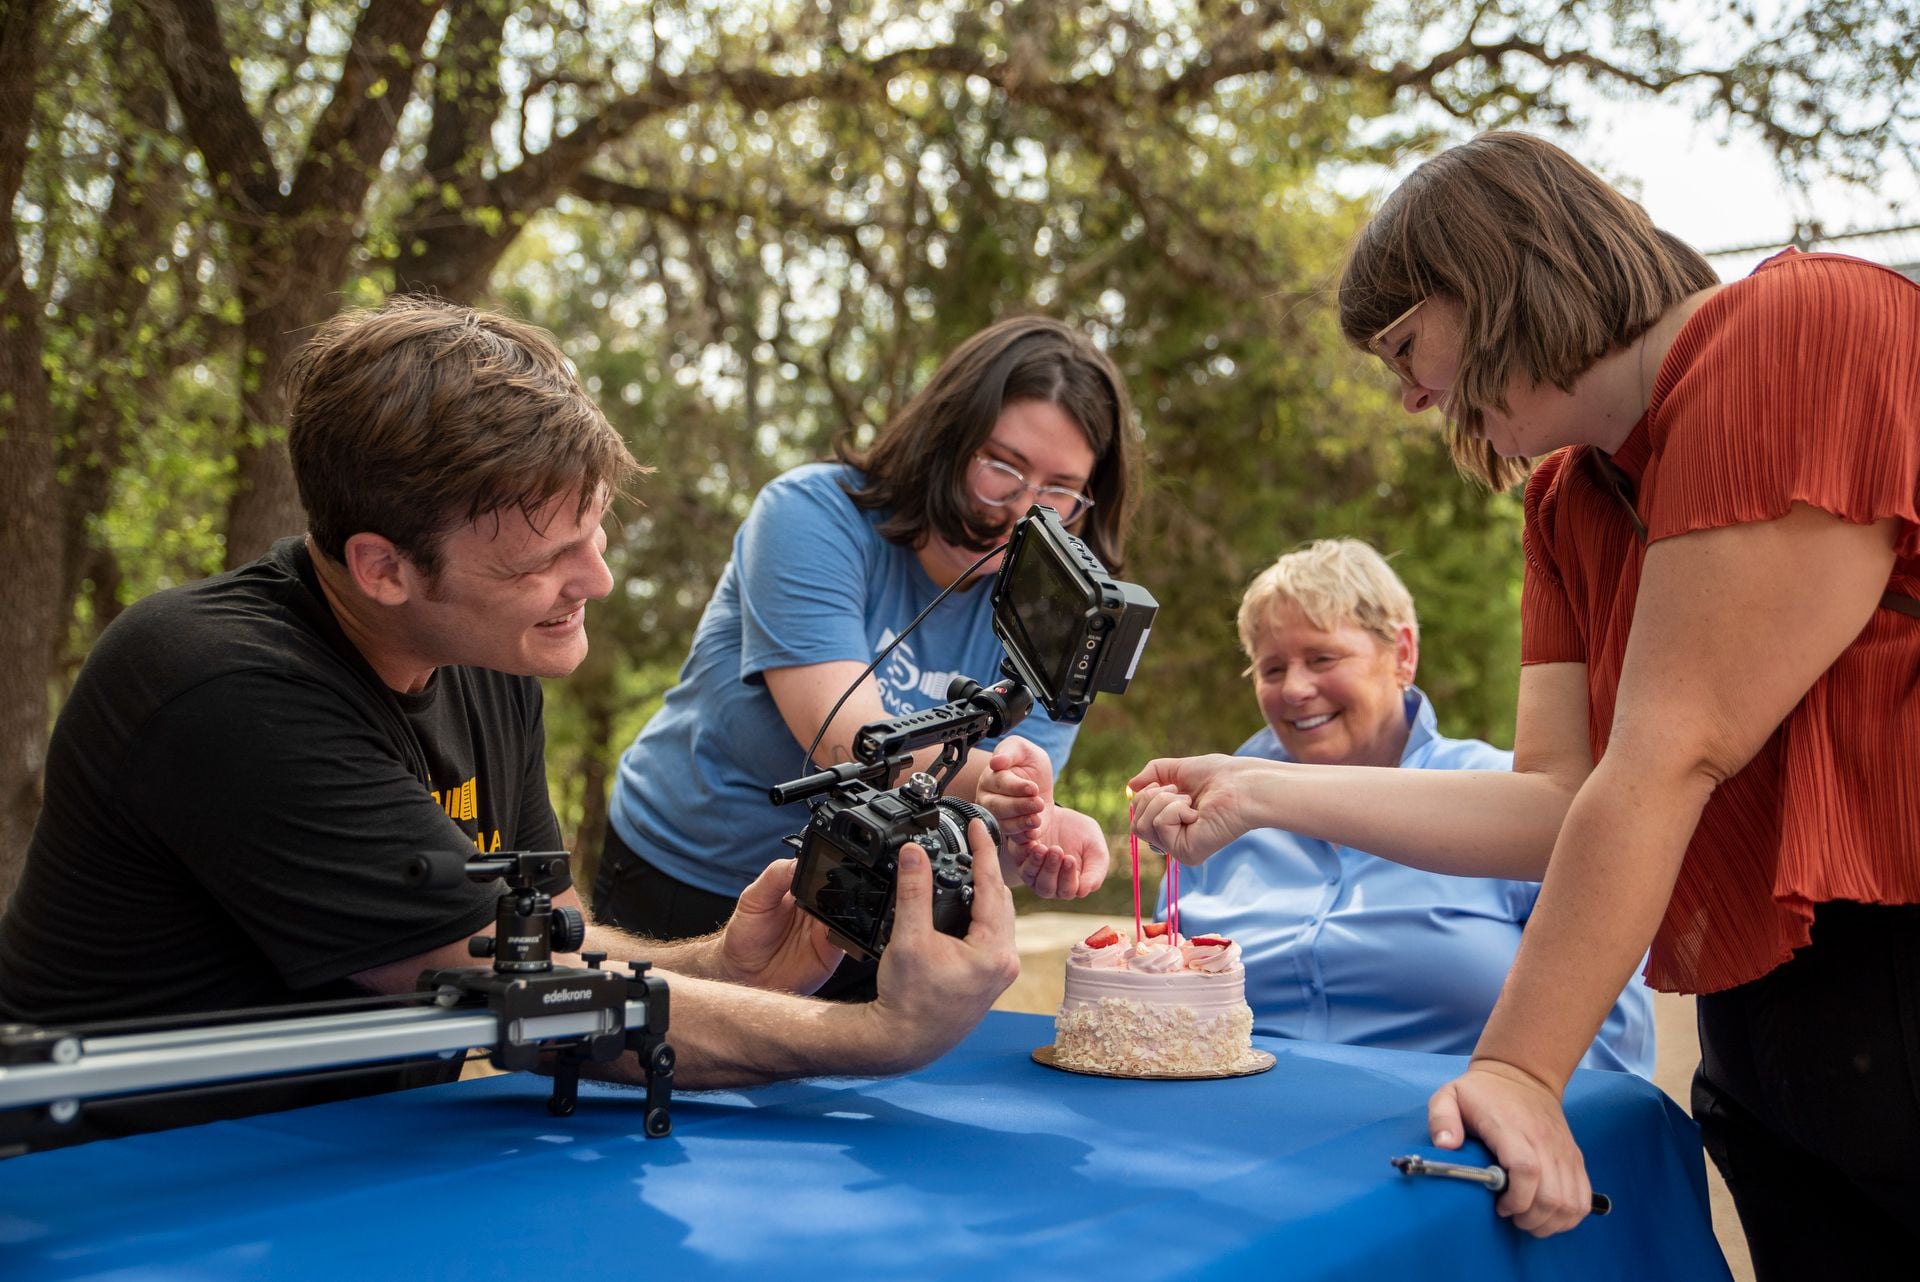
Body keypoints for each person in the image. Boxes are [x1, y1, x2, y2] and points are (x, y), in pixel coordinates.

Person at [1125, 132, 1920, 1273]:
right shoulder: (1566, 501)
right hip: (1769, 1022)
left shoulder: (1792, 328)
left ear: (1493, 278)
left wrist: (1517, 1068)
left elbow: (1670, 756)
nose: (1412, 397)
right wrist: (1255, 789)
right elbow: (1557, 804)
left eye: (1407, 347)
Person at [0, 297, 1020, 1144]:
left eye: (595, 531)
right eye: (545, 560)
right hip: (124, 1183)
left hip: (352, 1157)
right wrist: (880, 1034)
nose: (597, 580)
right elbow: (527, 1008)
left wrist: (723, 965)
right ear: (383, 567)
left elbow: (539, 951)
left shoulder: (483, 651)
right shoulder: (222, 687)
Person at [593, 316, 1138, 995]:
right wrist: (998, 785)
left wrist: (1038, 826)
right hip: (691, 876)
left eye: (1059, 492)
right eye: (1001, 467)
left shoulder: (1066, 614)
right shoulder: (808, 515)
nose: (1020, 512)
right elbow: (846, 742)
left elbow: (997, 822)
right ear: (946, 437)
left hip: (872, 903)